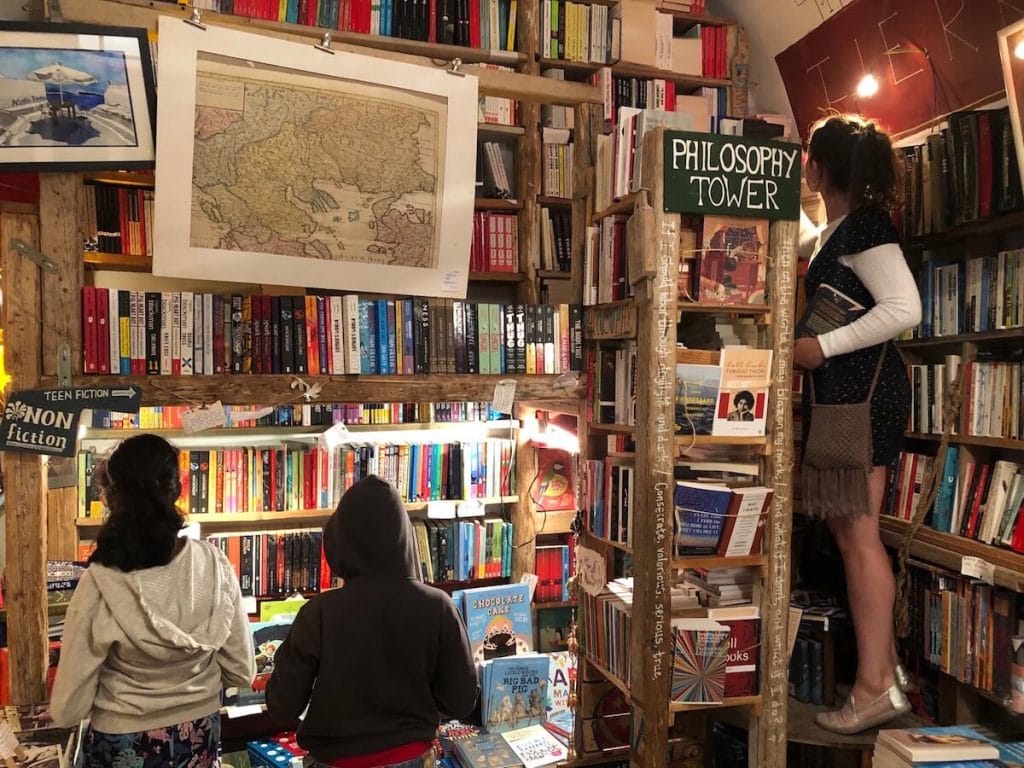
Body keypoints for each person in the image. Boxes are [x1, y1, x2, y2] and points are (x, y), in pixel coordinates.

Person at [795, 114, 922, 734]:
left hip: (862, 401)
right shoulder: (838, 229)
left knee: (858, 538)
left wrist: (826, 347)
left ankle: (873, 687)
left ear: (818, 167)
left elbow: (905, 307)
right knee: (857, 536)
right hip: (850, 400)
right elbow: (806, 241)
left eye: (804, 158)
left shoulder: (866, 228)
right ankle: (887, 675)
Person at [50, 434, 256, 768]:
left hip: (122, 739)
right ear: (177, 489)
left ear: (110, 496)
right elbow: (242, 672)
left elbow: (67, 708)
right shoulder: (214, 565)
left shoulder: (100, 582)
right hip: (199, 735)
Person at [266, 476, 478, 768]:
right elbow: (461, 700)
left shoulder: (319, 613)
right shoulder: (438, 605)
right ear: (405, 537)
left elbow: (282, 705)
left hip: (335, 761)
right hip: (413, 756)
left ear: (339, 541)